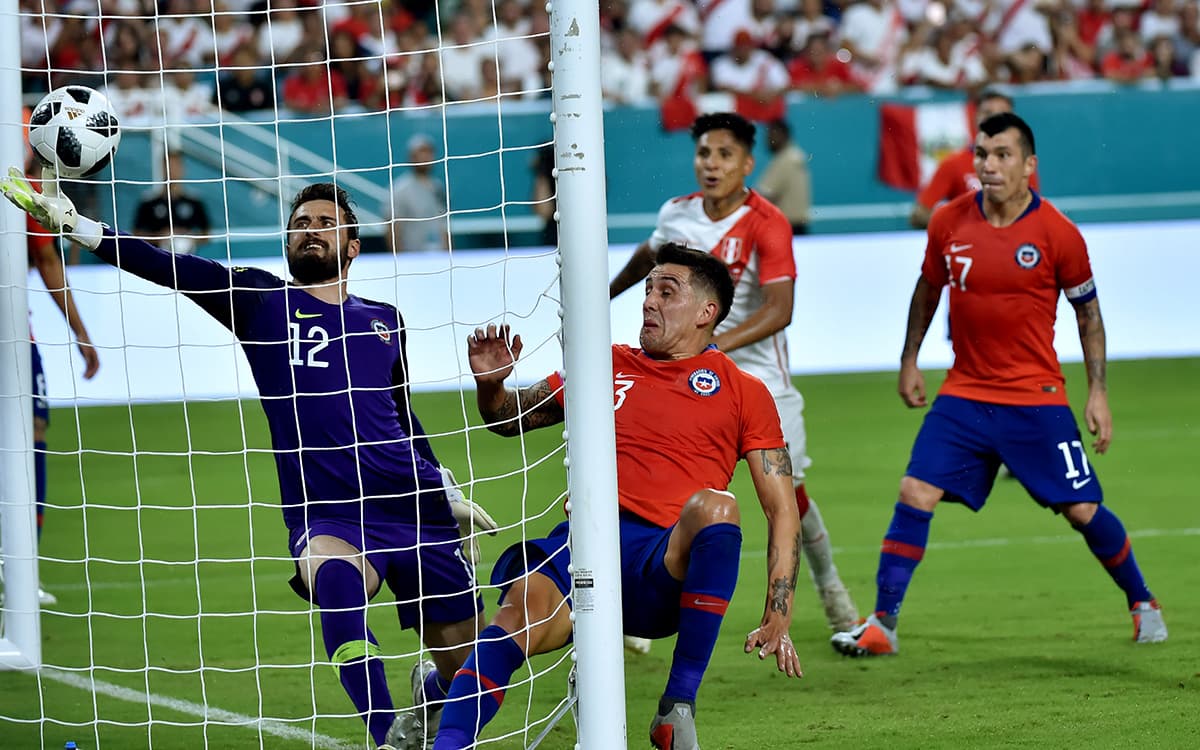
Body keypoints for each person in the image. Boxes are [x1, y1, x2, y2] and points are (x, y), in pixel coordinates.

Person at [1, 171, 500, 750]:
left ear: (353, 247)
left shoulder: (385, 320)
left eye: (325, 224)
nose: (310, 231)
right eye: (300, 225)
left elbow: (399, 414)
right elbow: (172, 269)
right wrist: (81, 228)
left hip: (413, 505)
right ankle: (388, 735)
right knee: (337, 592)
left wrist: (444, 488)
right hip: (329, 513)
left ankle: (432, 692)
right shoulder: (260, 300)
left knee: (471, 664)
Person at [433, 243, 803, 750]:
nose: (648, 301)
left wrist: (778, 607)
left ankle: (676, 708)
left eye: (665, 292)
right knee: (514, 616)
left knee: (718, 506)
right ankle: (445, 738)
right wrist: (492, 389)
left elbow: (781, 508)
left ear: (706, 312)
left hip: (659, 567)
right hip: (581, 547)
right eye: (648, 290)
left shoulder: (744, 392)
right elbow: (507, 419)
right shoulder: (605, 364)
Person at [831, 113, 1167, 658]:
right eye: (982, 153)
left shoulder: (1059, 233)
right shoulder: (947, 222)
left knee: (1081, 509)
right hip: (965, 392)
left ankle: (1143, 602)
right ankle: (883, 624)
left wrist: (1098, 391)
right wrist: (909, 357)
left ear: (1029, 166)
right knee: (915, 490)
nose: (988, 164)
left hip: (1035, 397)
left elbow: (1089, 317)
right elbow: (927, 289)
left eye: (1002, 155)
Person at [609, 112, 859, 637]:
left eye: (724, 155)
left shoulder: (767, 222)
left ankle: (832, 591)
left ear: (746, 163)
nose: (711, 164)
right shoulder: (676, 214)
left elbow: (780, 308)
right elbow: (648, 257)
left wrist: (714, 345)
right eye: (703, 153)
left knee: (793, 495)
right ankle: (640, 594)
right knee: (662, 475)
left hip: (757, 377)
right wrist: (602, 294)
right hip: (683, 373)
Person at [22, 211, 100, 606]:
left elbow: (48, 258)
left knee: (34, 431)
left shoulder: (19, 192)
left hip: (17, 339)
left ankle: (21, 567)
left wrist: (80, 331)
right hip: (16, 342)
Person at [909, 90, 1039, 230]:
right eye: (988, 113)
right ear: (975, 117)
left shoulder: (1021, 164)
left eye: (1003, 114)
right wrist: (965, 229)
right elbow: (919, 215)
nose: (996, 119)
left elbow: (1033, 211)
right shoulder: (954, 164)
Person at [132, 150, 212, 255]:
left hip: (188, 258)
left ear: (182, 169)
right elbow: (136, 234)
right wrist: (161, 237)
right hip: (157, 258)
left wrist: (188, 238)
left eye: (175, 166)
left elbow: (207, 235)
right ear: (162, 169)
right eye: (168, 166)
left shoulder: (194, 201)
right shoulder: (149, 201)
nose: (172, 170)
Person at [384, 134, 449, 253]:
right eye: (421, 153)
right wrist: (400, 258)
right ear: (411, 156)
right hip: (412, 257)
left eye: (429, 152)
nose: (425, 157)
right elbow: (392, 227)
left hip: (439, 256)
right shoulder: (399, 188)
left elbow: (444, 224)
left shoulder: (437, 186)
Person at [756, 119, 812, 235]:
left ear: (782, 135)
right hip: (798, 225)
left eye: (771, 135)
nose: (767, 141)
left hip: (787, 226)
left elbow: (765, 195)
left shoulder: (784, 160)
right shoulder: (796, 155)